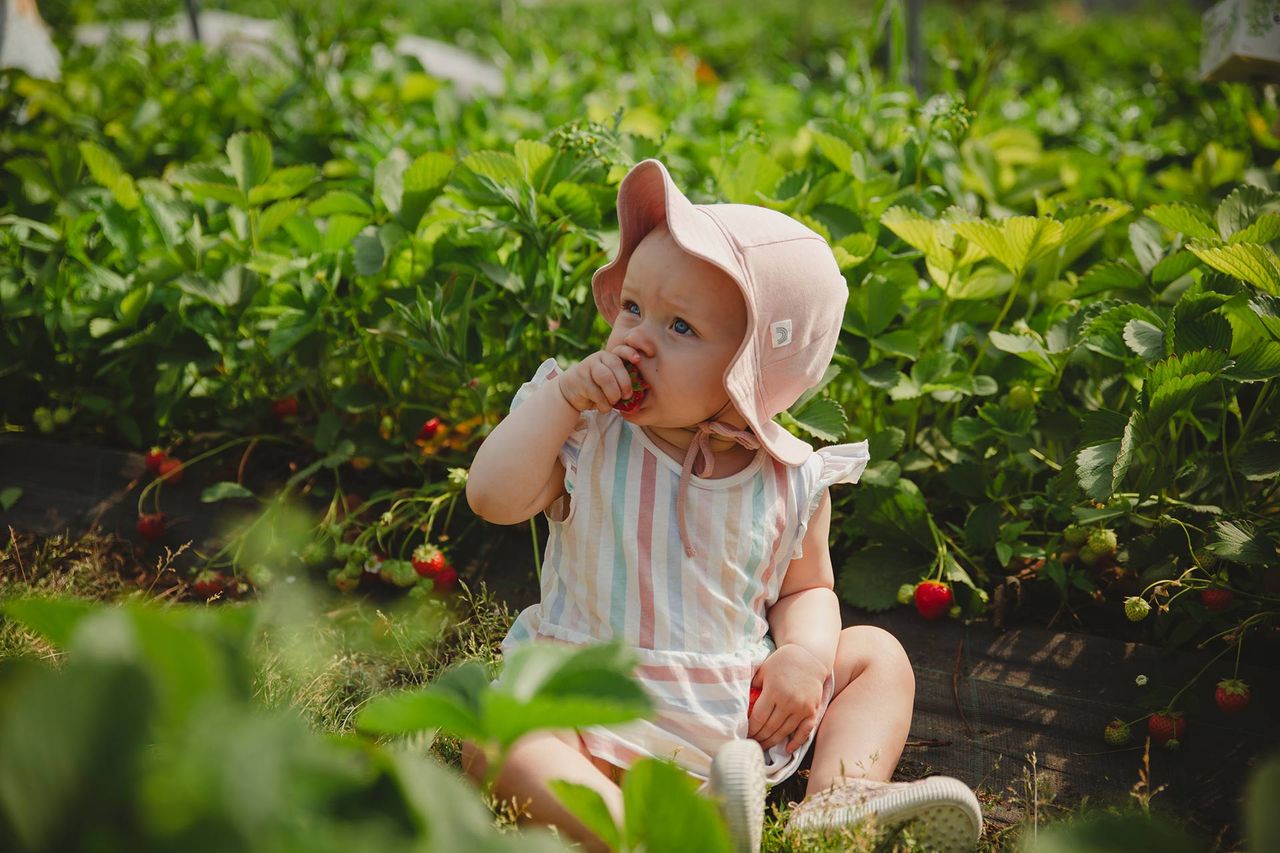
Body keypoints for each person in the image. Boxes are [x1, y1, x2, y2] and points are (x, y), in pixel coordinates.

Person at [463, 158, 982, 852]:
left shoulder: (788, 477)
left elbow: (809, 586)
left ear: (752, 373)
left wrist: (804, 653)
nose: (637, 337)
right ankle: (648, 834)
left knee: (876, 656)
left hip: (734, 719)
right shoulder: (585, 428)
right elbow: (491, 497)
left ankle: (836, 800)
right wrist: (561, 399)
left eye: (680, 328)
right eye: (633, 308)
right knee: (499, 735)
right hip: (588, 704)